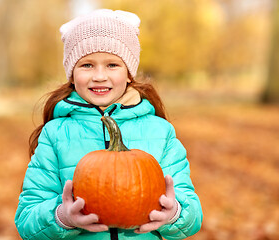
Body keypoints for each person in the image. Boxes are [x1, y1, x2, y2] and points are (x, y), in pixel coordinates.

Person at [15, 9, 202, 240]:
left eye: (112, 65)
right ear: (72, 75)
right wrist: (63, 217)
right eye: (87, 65)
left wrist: (174, 214)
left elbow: (192, 213)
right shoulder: (55, 135)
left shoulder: (160, 132)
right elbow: (26, 219)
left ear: (129, 73)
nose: (99, 76)